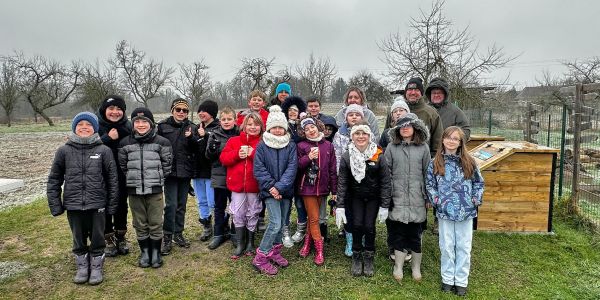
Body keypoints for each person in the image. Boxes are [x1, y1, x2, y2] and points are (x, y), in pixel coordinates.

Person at [47, 112, 118, 285]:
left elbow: (112, 180)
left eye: (88, 124)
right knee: (78, 238)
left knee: (97, 237)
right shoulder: (64, 151)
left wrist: (111, 204)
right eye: (80, 124)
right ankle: (82, 265)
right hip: (73, 204)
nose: (84, 127)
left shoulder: (104, 150)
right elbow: (54, 179)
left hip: (97, 204)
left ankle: (96, 265)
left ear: (95, 128)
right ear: (74, 128)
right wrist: (56, 205)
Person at [426, 126, 484, 296]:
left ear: (460, 143)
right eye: (448, 137)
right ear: (443, 139)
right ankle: (447, 278)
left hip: (465, 211)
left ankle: (461, 281)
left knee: (464, 247)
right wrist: (436, 200)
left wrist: (475, 199)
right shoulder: (435, 162)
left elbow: (478, 183)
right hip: (445, 211)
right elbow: (430, 184)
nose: (451, 141)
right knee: (446, 246)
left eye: (455, 139)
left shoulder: (469, 162)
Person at [118, 107, 172, 269]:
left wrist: (157, 179)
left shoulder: (162, 142)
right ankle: (145, 252)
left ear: (151, 123)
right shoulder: (125, 143)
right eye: (137, 122)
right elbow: (123, 166)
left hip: (154, 190)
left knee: (155, 222)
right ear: (133, 124)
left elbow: (167, 165)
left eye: (144, 122)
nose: (141, 125)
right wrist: (133, 180)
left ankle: (155, 252)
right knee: (140, 223)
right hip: (134, 191)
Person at [335, 121, 391, 277]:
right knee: (357, 225)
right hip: (356, 197)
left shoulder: (378, 155)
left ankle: (369, 255)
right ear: (352, 136)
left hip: (373, 198)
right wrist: (340, 205)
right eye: (357, 133)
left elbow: (386, 181)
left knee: (369, 226)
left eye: (364, 133)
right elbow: (343, 182)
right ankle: (357, 254)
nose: (361, 137)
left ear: (369, 136)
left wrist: (385, 205)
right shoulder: (347, 156)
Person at [381, 113, 431, 283]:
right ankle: (398, 266)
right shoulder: (391, 148)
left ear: (416, 127)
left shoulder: (423, 148)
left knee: (416, 234)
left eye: (408, 125)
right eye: (401, 126)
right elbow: (386, 173)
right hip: (398, 198)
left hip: (417, 197)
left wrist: (428, 196)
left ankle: (416, 267)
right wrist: (387, 195)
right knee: (399, 233)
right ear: (397, 129)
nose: (405, 128)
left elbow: (427, 173)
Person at [252, 105, 298, 275]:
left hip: (285, 190)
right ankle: (261, 256)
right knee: (275, 222)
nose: (278, 131)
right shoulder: (262, 146)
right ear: (269, 128)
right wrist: (272, 187)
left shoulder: (290, 145)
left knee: (283, 223)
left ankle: (275, 252)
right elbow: (259, 169)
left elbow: (292, 168)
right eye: (275, 127)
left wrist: (279, 187)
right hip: (269, 191)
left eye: (281, 127)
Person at [157, 98, 198, 254]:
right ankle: (167, 236)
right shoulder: (162, 126)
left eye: (185, 110)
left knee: (181, 205)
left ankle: (178, 233)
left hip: (185, 172)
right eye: (178, 109)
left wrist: (192, 138)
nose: (181, 112)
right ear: (172, 110)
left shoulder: (192, 127)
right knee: (171, 205)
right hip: (169, 172)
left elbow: (196, 149)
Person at [332, 103, 374, 257]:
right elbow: (336, 156)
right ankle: (350, 238)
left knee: (363, 213)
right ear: (346, 117)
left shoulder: (368, 134)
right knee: (349, 212)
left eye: (357, 115)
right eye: (351, 115)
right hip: (347, 180)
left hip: (365, 182)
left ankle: (362, 237)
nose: (354, 117)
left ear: (362, 117)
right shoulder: (339, 134)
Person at [220, 112, 263, 259]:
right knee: (238, 213)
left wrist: (252, 154)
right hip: (237, 186)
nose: (252, 127)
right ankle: (240, 243)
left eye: (256, 124)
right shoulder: (233, 141)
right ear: (243, 126)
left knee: (253, 212)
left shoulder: (262, 142)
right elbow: (224, 158)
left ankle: (251, 242)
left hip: (254, 186)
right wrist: (237, 154)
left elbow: (266, 162)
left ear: (261, 127)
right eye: (249, 124)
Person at [296, 116, 337, 266]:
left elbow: (332, 170)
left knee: (314, 218)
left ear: (317, 127)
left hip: (323, 188)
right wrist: (308, 157)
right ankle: (320, 250)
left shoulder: (328, 146)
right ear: (303, 132)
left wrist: (334, 190)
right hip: (307, 188)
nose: (310, 131)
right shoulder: (301, 146)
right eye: (306, 129)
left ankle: (307, 243)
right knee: (314, 218)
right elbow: (297, 166)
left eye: (312, 127)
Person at [96, 95, 132, 257]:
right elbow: (87, 147)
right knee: (104, 206)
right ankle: (108, 238)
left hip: (122, 174)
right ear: (105, 110)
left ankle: (121, 236)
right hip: (100, 175)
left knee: (121, 206)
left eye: (119, 109)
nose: (115, 112)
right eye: (111, 108)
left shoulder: (129, 127)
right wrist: (107, 138)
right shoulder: (95, 126)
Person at [205, 107, 240, 250]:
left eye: (229, 119)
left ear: (234, 120)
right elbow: (208, 157)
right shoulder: (214, 134)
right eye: (224, 119)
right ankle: (218, 234)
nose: (226, 122)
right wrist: (212, 149)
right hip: (219, 176)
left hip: (236, 177)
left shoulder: (240, 134)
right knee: (219, 207)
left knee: (236, 207)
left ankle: (235, 233)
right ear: (220, 121)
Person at [279, 95, 307, 247]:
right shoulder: (282, 126)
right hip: (285, 167)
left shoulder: (303, 126)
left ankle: (301, 228)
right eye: (290, 110)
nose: (292, 112)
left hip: (301, 168)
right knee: (286, 202)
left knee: (300, 202)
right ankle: (285, 230)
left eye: (295, 110)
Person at [192, 100, 220, 243]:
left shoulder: (218, 128)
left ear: (212, 113)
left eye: (205, 110)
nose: (201, 113)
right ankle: (206, 225)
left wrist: (205, 136)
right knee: (201, 201)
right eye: (200, 110)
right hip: (197, 172)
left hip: (211, 172)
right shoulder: (196, 128)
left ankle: (221, 225)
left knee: (212, 201)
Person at [402, 77, 443, 157]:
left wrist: (431, 161)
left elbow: (438, 144)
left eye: (417, 90)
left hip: (423, 162)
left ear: (421, 93)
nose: (413, 92)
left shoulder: (431, 113)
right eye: (410, 89)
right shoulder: (397, 111)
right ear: (406, 92)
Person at [425, 77, 471, 141]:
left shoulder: (455, 111)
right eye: (434, 93)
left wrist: (454, 142)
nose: (436, 95)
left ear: (445, 94)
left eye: (439, 93)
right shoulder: (424, 110)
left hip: (447, 149)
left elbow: (466, 130)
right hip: (426, 150)